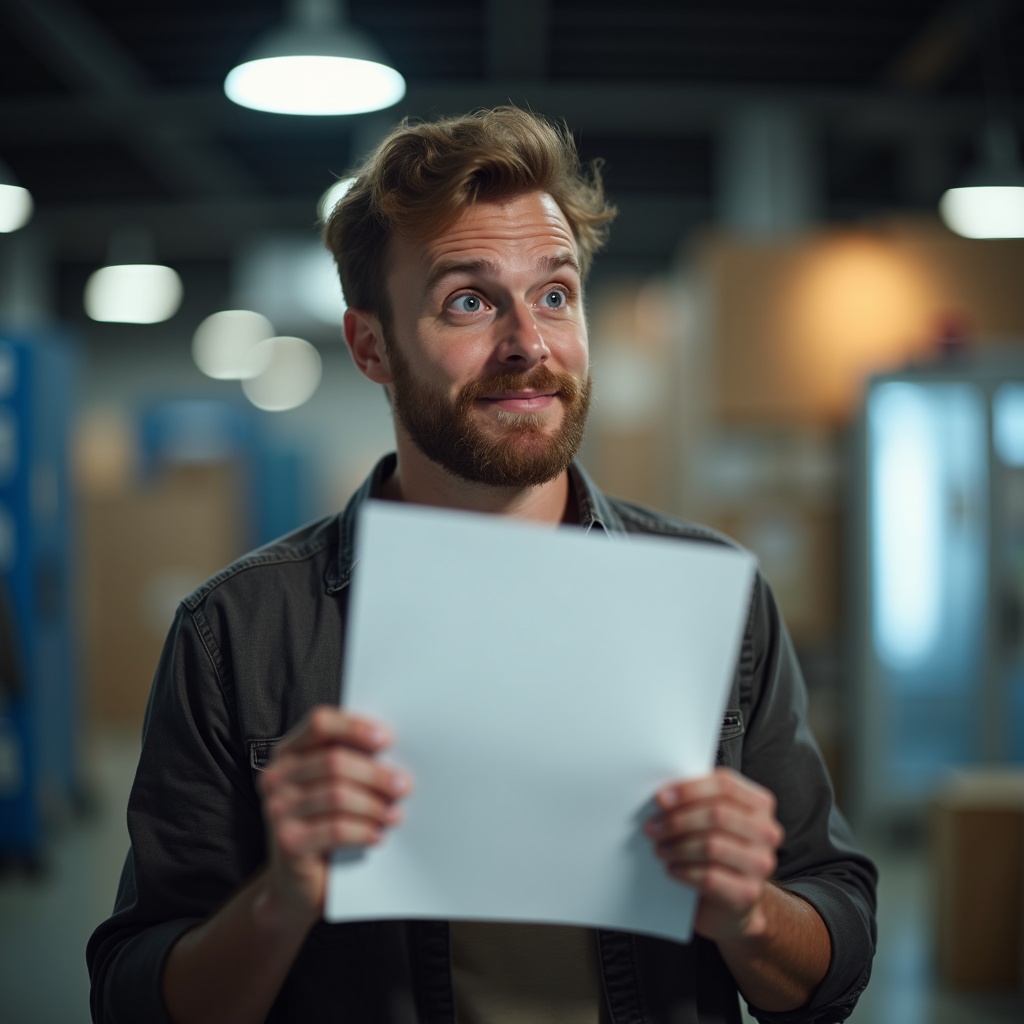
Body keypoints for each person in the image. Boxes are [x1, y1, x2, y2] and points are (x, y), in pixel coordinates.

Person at [87, 106, 876, 1024]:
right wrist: (279, 901)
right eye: (469, 299)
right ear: (370, 345)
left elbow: (834, 951)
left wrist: (746, 912)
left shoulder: (714, 600)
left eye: (554, 293)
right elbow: (132, 997)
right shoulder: (238, 633)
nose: (529, 345)